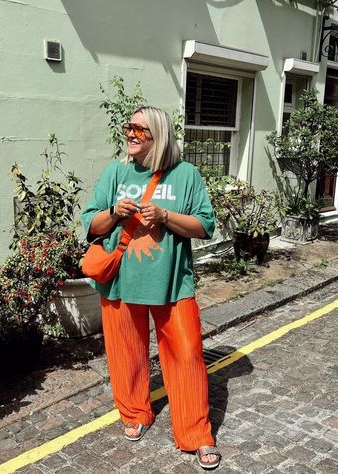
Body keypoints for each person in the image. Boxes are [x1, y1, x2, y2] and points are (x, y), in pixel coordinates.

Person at [81, 106, 221, 469]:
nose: (131, 134)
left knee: (187, 355)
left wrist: (165, 217)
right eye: (129, 127)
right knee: (126, 353)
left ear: (158, 136)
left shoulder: (186, 175)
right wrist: (115, 213)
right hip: (121, 283)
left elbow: (205, 225)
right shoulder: (115, 172)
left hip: (172, 282)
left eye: (141, 130)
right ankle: (135, 412)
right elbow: (92, 224)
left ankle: (196, 433)